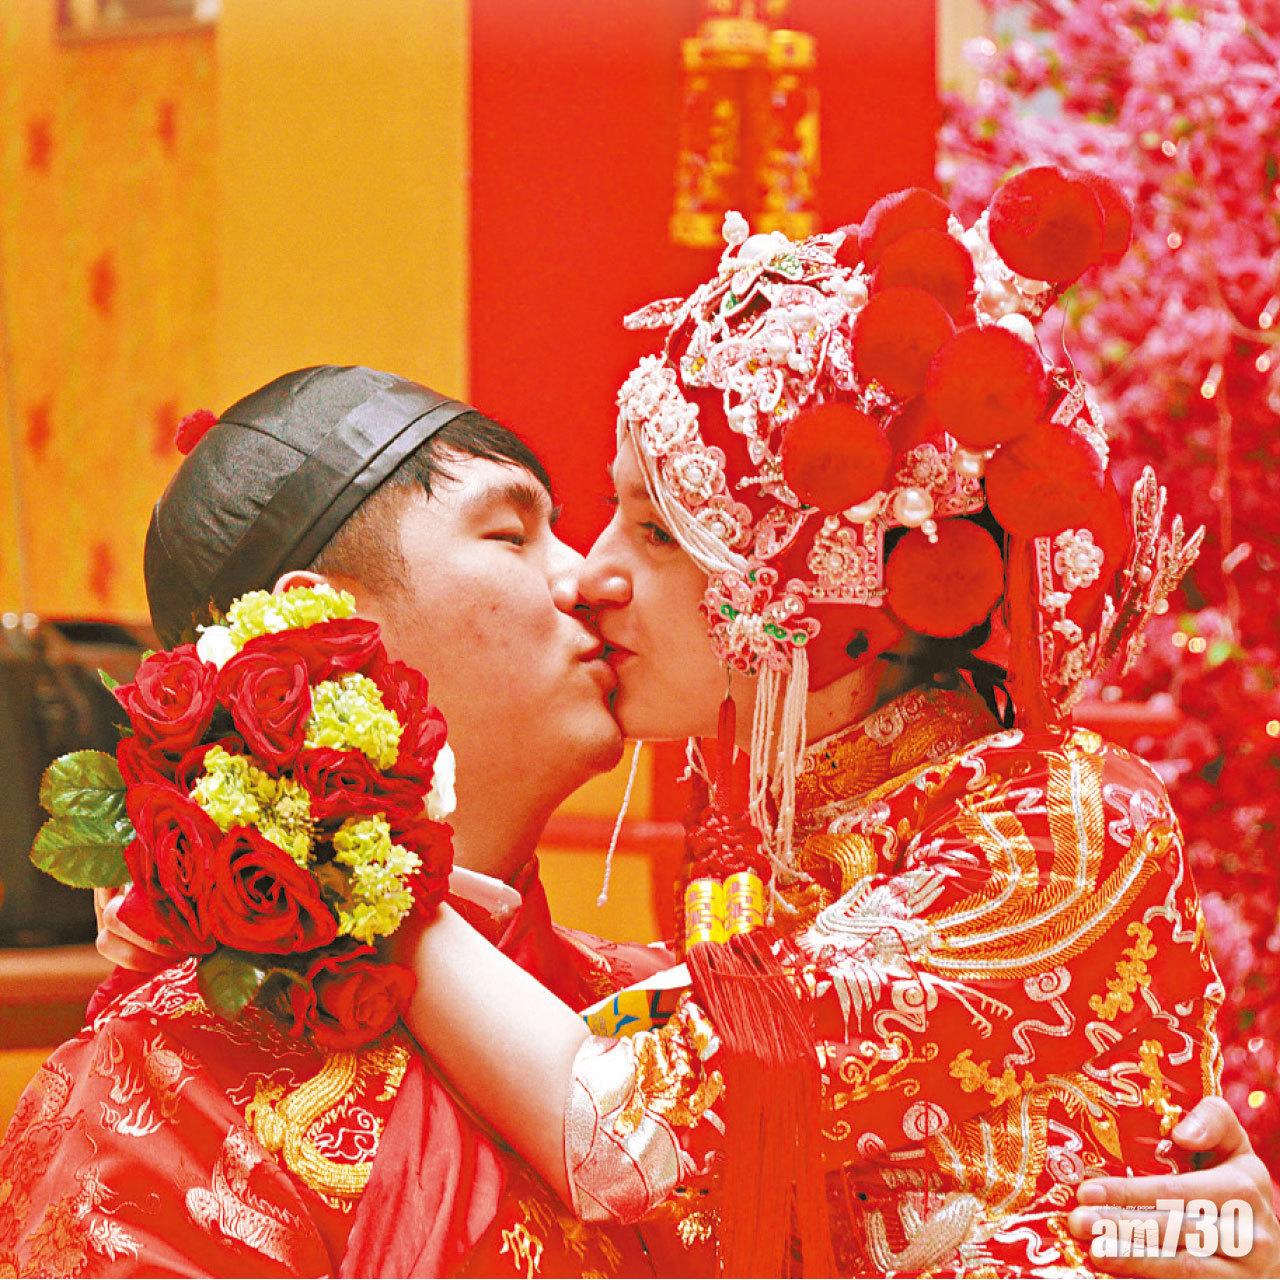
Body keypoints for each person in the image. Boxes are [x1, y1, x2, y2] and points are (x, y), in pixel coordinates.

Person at [372, 175, 1280, 1277]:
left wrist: (360, 885)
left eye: (659, 532)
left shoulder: (1057, 824)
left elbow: (617, 1126)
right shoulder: (782, 835)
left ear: (826, 593)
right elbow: (621, 1029)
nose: (590, 576)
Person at [0, 365, 670, 1278]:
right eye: (512, 536)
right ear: (318, 622)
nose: (586, 576)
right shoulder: (162, 1089)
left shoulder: (655, 1010)